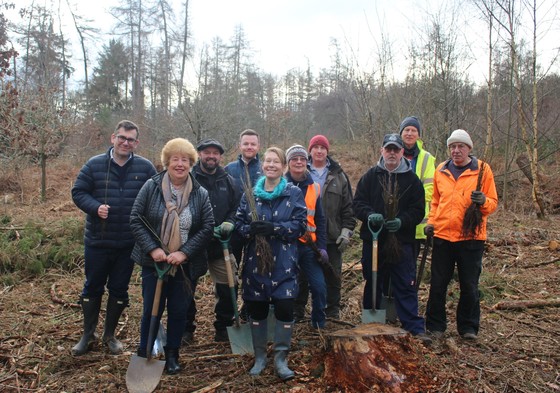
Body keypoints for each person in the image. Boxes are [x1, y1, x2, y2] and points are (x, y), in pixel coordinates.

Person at [71, 120, 156, 356]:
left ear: (136, 143)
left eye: (130, 140)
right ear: (113, 138)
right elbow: (78, 192)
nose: (125, 143)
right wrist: (95, 207)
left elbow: (157, 195)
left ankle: (110, 336)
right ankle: (88, 334)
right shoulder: (94, 165)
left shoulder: (145, 168)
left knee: (119, 289)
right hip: (98, 241)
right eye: (122, 138)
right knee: (92, 287)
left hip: (129, 243)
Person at [129, 138, 214, 374]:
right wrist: (153, 249)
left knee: (178, 310)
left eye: (184, 160)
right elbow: (136, 219)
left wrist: (184, 253)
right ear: (167, 162)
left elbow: (208, 227)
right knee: (151, 309)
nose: (179, 164)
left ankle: (173, 353)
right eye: (175, 159)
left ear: (191, 163)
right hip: (153, 262)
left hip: (184, 265)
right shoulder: (151, 187)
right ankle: (144, 350)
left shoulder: (200, 193)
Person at [235, 147, 307, 381]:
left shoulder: (293, 193)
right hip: (256, 262)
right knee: (257, 307)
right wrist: (249, 230)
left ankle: (280, 358)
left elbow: (300, 226)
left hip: (284, 262)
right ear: (262, 165)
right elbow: (239, 223)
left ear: (284, 167)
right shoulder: (250, 194)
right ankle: (259, 357)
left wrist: (274, 229)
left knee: (285, 307)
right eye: (268, 161)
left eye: (276, 162)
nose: (271, 165)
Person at [353, 133, 431, 344]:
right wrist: (370, 215)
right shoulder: (371, 176)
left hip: (402, 242)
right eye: (388, 149)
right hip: (374, 240)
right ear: (382, 151)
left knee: (405, 282)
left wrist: (402, 221)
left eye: (396, 150)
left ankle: (413, 327)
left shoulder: (411, 180)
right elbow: (357, 203)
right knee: (373, 279)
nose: (392, 153)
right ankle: (370, 321)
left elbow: (418, 209)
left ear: (402, 152)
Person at [425, 129, 498, 341]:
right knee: (438, 284)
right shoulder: (441, 170)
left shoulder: (482, 170)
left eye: (460, 147)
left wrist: (483, 201)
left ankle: (468, 328)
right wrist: (431, 222)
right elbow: (436, 202)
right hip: (443, 237)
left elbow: (493, 203)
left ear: (469, 149)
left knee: (469, 285)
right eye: (452, 147)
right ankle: (435, 326)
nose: (456, 151)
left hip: (471, 238)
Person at [188, 138, 241, 343]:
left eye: (215, 153)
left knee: (229, 285)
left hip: (221, 245)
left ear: (220, 156)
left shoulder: (228, 180)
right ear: (199, 154)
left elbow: (236, 207)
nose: (211, 156)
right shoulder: (190, 178)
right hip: (194, 245)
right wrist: (205, 230)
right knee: (186, 288)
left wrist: (230, 222)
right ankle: (186, 329)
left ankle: (224, 327)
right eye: (207, 152)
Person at [304, 134, 356, 320]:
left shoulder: (339, 176)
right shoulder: (301, 171)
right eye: (315, 147)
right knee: (302, 276)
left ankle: (332, 311)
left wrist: (346, 232)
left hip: (332, 236)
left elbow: (348, 208)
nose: (319, 151)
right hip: (305, 237)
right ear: (310, 150)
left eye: (322, 148)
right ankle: (299, 311)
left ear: (327, 151)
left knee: (333, 276)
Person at [285, 144, 328, 328]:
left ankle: (318, 324)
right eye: (294, 159)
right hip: (287, 245)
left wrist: (323, 247)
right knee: (287, 287)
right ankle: (285, 322)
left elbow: (320, 219)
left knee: (319, 287)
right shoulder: (279, 184)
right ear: (288, 163)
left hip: (309, 246)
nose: (299, 162)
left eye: (302, 158)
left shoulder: (314, 187)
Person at [225, 128, 263, 318]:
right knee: (231, 272)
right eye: (246, 143)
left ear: (258, 146)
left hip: (257, 230)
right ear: (240, 146)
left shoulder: (265, 168)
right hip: (234, 229)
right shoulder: (229, 169)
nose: (249, 147)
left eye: (253, 144)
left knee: (253, 272)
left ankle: (248, 309)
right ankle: (228, 312)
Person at [399, 116, 436, 260]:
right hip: (394, 216)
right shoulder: (392, 152)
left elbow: (430, 188)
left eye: (413, 130)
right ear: (401, 133)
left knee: (409, 262)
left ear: (418, 135)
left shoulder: (427, 158)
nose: (409, 133)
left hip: (417, 219)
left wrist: (412, 203)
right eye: (406, 130)